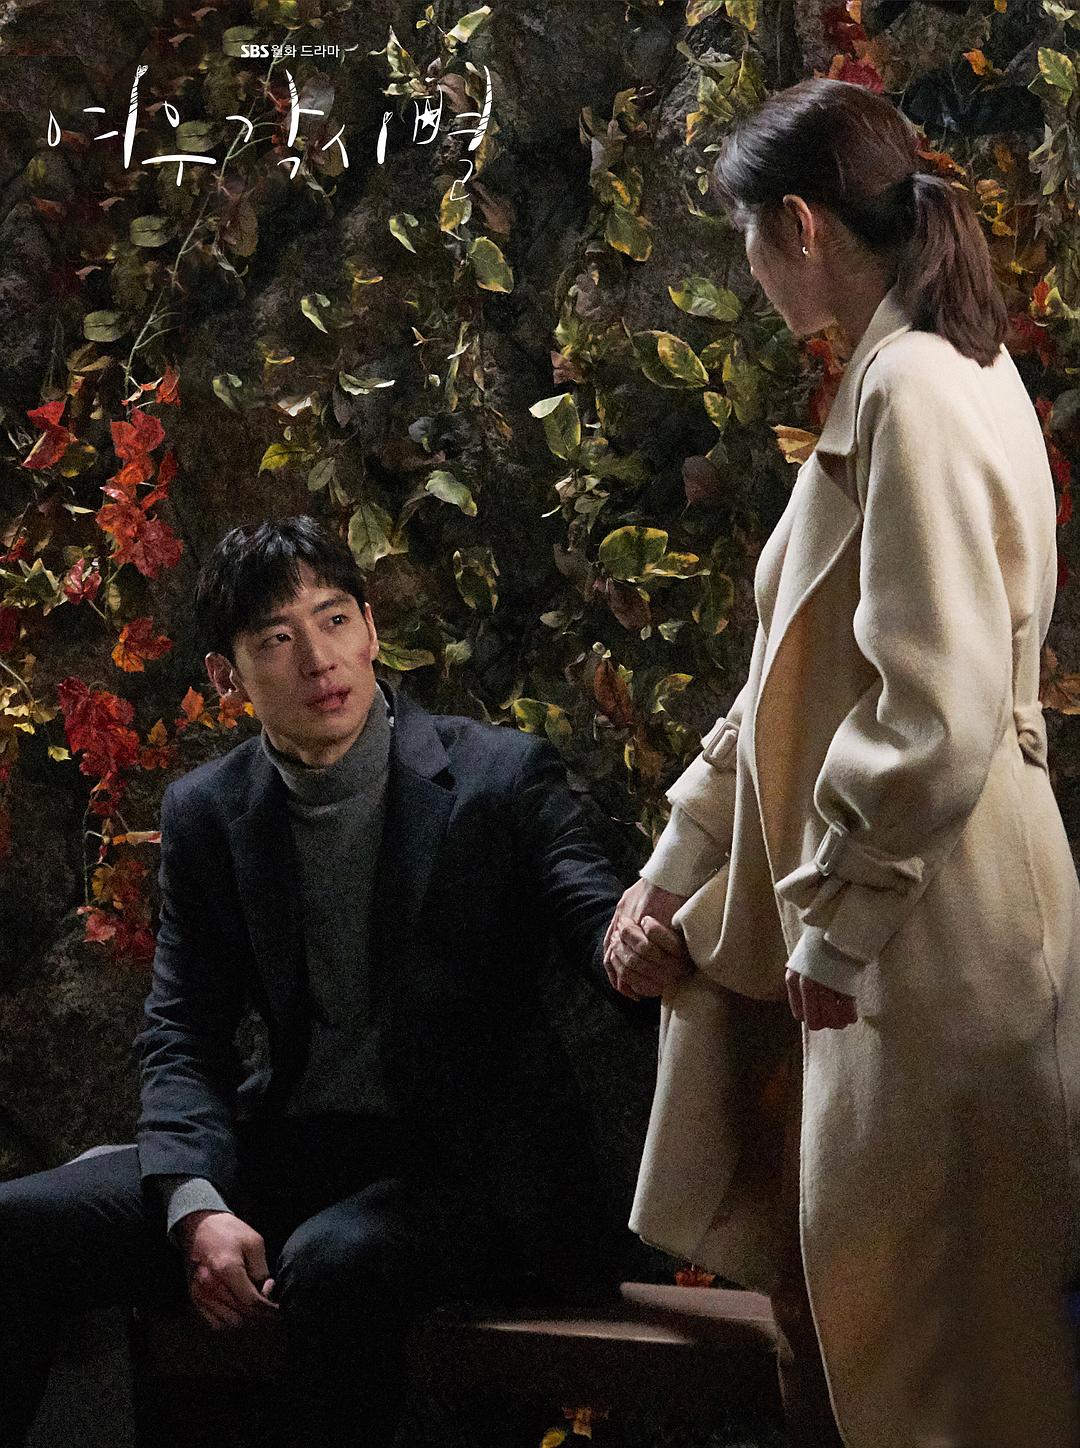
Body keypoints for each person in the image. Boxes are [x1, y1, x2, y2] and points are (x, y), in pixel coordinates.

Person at [604, 77, 1080, 1448]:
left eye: (748, 238)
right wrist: (677, 863)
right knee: (937, 1346)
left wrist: (840, 925)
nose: (749, 271)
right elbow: (794, 685)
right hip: (950, 907)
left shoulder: (913, 391)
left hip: (936, 921)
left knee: (942, 1359)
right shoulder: (938, 371)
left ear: (800, 226)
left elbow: (934, 705)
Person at [0, 515, 628, 1448]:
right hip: (300, 1150)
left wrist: (631, 941)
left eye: (334, 621)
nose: (318, 660)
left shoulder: (497, 777)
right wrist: (197, 1207)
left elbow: (594, 915)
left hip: (469, 1174)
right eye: (276, 640)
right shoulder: (210, 811)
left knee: (331, 1264)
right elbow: (183, 1034)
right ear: (227, 678)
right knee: (19, 1224)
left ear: (371, 628)